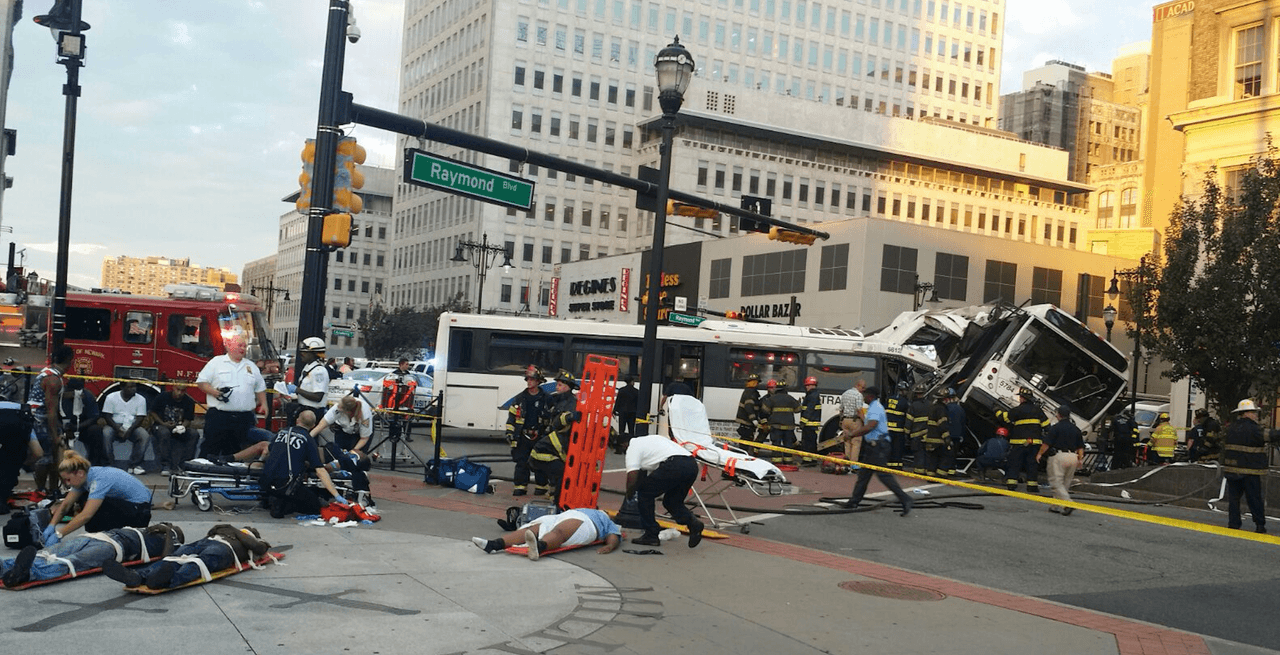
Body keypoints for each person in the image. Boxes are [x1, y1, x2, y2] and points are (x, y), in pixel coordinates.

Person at [1, 523, 182, 588]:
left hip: (115, 547)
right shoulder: (144, 529)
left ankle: (26, 574)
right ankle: (6, 567)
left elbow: (167, 557)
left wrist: (168, 532)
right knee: (49, 552)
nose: (167, 524)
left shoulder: (169, 541)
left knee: (71, 562)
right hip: (97, 536)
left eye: (172, 526)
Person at [103, 524, 273, 590]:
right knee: (173, 558)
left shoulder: (256, 541)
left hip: (224, 550)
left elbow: (258, 547)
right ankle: (139, 576)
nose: (249, 526)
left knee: (198, 563)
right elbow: (167, 554)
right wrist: (169, 532)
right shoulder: (222, 531)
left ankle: (169, 579)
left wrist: (232, 529)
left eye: (251, 528)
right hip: (203, 543)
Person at [46, 452, 152, 545]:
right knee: (84, 499)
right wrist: (51, 525)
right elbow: (66, 504)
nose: (67, 484)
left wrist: (60, 534)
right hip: (131, 506)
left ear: (80, 473)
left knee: (95, 506)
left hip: (140, 512)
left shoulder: (99, 480)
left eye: (68, 480)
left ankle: (107, 537)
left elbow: (86, 515)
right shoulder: (84, 477)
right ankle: (100, 535)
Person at [196, 332, 268, 461]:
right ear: (228, 345)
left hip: (243, 418)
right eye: (239, 345)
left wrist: (264, 404)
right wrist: (214, 392)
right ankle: (203, 474)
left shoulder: (250, 366)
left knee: (236, 452)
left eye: (244, 346)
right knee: (210, 448)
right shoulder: (216, 362)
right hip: (219, 416)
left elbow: (260, 387)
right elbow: (201, 382)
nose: (243, 348)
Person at [841, 386, 914, 515]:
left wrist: (852, 434)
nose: (863, 397)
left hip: (879, 446)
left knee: (884, 476)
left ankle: (905, 499)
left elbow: (870, 426)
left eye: (865, 395)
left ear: (870, 396)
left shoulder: (875, 407)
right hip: (873, 446)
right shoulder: (874, 407)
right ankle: (854, 501)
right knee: (863, 476)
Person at [623, 433, 704, 547]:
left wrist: (629, 493)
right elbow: (646, 475)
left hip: (674, 464)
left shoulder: (632, 447)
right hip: (691, 464)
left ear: (624, 444)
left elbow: (632, 475)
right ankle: (693, 524)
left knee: (644, 494)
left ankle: (651, 535)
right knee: (672, 502)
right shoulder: (651, 439)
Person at [261, 411, 345, 519]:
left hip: (265, 481)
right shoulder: (308, 439)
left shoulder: (283, 432)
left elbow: (268, 451)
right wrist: (336, 494)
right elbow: (320, 471)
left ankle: (272, 498)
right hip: (285, 484)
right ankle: (283, 503)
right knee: (314, 506)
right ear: (313, 426)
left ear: (297, 420)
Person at [471, 507, 622, 561]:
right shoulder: (593, 509)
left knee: (560, 531)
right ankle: (493, 545)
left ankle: (540, 547)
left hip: (588, 523)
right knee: (534, 528)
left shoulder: (608, 521)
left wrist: (609, 546)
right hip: (563, 515)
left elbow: (613, 536)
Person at [1222, 399, 1276, 534]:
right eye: (1253, 412)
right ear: (1245, 413)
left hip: (1231, 470)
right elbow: (1270, 436)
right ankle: (1259, 525)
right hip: (1250, 470)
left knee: (1234, 499)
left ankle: (1233, 523)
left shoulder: (1231, 428)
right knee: (1254, 498)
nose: (1256, 415)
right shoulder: (1254, 428)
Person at [529, 370, 582, 507]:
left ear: (568, 386)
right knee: (561, 474)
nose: (557, 387)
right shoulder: (558, 400)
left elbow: (559, 421)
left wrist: (570, 417)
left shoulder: (570, 402)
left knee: (560, 474)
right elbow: (555, 420)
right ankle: (558, 503)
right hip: (548, 448)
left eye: (560, 385)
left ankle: (557, 501)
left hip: (553, 448)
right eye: (557, 384)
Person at [27, 346, 73, 495]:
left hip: (41, 419)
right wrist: (54, 435)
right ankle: (41, 490)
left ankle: (53, 489)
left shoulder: (49, 372)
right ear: (69, 360)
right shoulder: (53, 380)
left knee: (55, 457)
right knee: (46, 459)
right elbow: (51, 410)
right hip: (41, 421)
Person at [505, 365, 551, 497]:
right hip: (523, 436)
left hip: (540, 436)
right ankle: (520, 487)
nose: (529, 382)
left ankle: (541, 486)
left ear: (538, 381)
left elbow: (553, 418)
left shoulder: (547, 399)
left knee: (541, 462)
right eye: (528, 379)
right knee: (521, 462)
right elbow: (512, 418)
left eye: (532, 379)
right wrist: (510, 433)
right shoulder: (519, 399)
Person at [996, 388, 1047, 493]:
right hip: (1034, 443)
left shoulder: (1017, 410)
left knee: (1015, 463)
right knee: (1032, 464)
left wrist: (996, 410)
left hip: (1018, 443)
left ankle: (1011, 484)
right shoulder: (1038, 410)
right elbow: (1047, 426)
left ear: (1023, 398)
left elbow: (1004, 418)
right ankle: (1032, 486)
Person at [1037, 405, 1085, 515]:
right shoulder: (1076, 429)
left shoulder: (1055, 427)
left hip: (1059, 456)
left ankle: (1068, 503)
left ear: (1059, 415)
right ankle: (1056, 505)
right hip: (1073, 457)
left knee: (1056, 482)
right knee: (1066, 483)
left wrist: (1039, 454)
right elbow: (1080, 447)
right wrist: (1080, 460)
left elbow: (1046, 444)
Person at [99, 381, 151, 474]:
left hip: (133, 426)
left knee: (144, 435)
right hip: (114, 424)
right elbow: (107, 416)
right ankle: (109, 464)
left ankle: (134, 465)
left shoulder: (141, 399)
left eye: (134, 387)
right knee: (106, 433)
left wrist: (130, 430)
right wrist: (117, 429)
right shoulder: (111, 397)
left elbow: (140, 418)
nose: (133, 389)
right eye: (130, 387)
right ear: (122, 387)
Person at [148, 382, 198, 476]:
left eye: (182, 391)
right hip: (161, 425)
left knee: (194, 434)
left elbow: (188, 419)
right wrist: (163, 423)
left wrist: (182, 426)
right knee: (164, 432)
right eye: (178, 389)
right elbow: (152, 412)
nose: (179, 393)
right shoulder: (163, 396)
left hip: (179, 427)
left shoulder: (189, 401)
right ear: (173, 388)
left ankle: (185, 465)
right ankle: (165, 465)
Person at [59, 378, 107, 467]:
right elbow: (55, 415)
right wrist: (65, 429)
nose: (76, 393)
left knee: (96, 430)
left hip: (82, 428)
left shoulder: (87, 395)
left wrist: (77, 427)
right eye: (73, 391)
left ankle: (94, 462)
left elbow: (93, 417)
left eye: (79, 390)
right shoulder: (60, 397)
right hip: (63, 427)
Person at [0, 399, 33, 513]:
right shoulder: (23, 415)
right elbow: (38, 452)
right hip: (19, 425)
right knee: (12, 458)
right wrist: (19, 466)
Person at [293, 337, 330, 425]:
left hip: (313, 412)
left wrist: (297, 390)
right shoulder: (308, 367)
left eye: (305, 352)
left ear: (314, 353)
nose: (302, 354)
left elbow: (318, 397)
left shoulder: (319, 371)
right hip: (304, 409)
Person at [761, 379, 799, 463]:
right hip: (789, 427)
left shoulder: (772, 398)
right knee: (788, 445)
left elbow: (764, 409)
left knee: (776, 444)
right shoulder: (790, 398)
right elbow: (798, 409)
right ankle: (788, 461)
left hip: (776, 426)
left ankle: (776, 461)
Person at [381, 358, 418, 443]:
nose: (407, 366)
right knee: (394, 418)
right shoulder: (393, 374)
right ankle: (392, 435)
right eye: (406, 364)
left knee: (407, 418)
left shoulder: (409, 375)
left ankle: (407, 435)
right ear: (401, 365)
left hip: (405, 399)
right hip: (395, 399)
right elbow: (388, 386)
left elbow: (412, 385)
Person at [921, 389, 952, 477]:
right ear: (945, 399)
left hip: (930, 438)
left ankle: (930, 476)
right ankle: (940, 476)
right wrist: (947, 437)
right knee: (946, 456)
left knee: (932, 459)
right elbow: (942, 424)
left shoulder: (932, 407)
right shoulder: (941, 409)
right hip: (938, 440)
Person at [838, 378, 867, 467]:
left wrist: (841, 420)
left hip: (845, 420)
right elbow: (859, 410)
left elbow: (841, 409)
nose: (863, 390)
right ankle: (853, 465)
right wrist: (865, 422)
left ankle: (846, 464)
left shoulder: (845, 393)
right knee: (856, 443)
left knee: (847, 443)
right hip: (855, 421)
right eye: (863, 387)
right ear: (857, 385)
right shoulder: (858, 395)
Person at [884, 381, 910, 469]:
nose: (906, 392)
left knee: (889, 448)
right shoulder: (905, 402)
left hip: (888, 428)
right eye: (906, 390)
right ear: (902, 391)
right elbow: (907, 416)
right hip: (898, 430)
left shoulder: (889, 399)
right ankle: (897, 467)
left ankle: (888, 465)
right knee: (897, 449)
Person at [798, 376, 822, 466]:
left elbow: (809, 410)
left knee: (807, 443)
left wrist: (803, 422)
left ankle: (807, 461)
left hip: (809, 423)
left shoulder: (812, 396)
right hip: (812, 423)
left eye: (808, 385)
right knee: (812, 442)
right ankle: (813, 459)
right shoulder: (814, 395)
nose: (806, 387)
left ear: (813, 386)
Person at [906, 384, 930, 474]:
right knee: (927, 454)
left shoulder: (913, 405)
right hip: (928, 435)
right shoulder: (930, 404)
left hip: (916, 435)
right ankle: (927, 470)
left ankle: (919, 471)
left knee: (918, 454)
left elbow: (909, 421)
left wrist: (906, 434)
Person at [944, 387, 967, 476]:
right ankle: (951, 470)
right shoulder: (960, 409)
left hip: (947, 435)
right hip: (957, 436)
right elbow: (963, 423)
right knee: (953, 454)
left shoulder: (946, 408)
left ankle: (945, 470)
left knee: (946, 454)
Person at [734, 374, 763, 445]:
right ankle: (743, 453)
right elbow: (749, 407)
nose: (757, 384)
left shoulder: (749, 392)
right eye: (756, 382)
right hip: (747, 421)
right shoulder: (750, 393)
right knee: (747, 438)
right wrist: (753, 419)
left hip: (746, 421)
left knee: (746, 438)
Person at [613, 376, 638, 453]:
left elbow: (618, 402)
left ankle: (619, 449)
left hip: (622, 412)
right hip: (632, 413)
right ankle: (630, 448)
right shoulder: (636, 391)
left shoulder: (621, 390)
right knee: (631, 430)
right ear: (632, 382)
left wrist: (615, 410)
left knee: (621, 430)